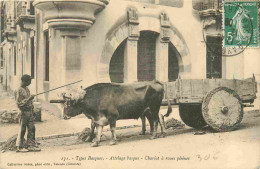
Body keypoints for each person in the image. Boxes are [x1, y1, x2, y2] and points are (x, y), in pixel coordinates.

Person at [15, 74, 41, 152]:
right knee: (22, 129)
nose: (30, 83)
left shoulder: (26, 89)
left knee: (32, 128)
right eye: (29, 81)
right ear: (24, 81)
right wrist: (29, 98)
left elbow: (29, 102)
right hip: (23, 112)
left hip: (29, 112)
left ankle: (31, 145)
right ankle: (19, 146)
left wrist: (32, 111)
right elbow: (19, 103)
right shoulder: (18, 90)